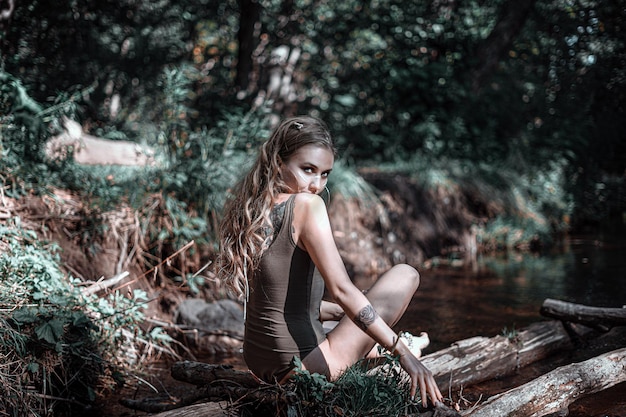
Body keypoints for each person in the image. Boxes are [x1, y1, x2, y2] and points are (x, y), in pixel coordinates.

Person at [217, 115, 443, 407]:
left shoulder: (250, 210)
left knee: (355, 308)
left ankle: (384, 345)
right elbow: (341, 289)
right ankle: (403, 344)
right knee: (405, 274)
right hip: (301, 369)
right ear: (277, 163)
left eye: (325, 174)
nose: (316, 184)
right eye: (307, 169)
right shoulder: (307, 206)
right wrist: (405, 356)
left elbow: (273, 299)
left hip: (260, 362)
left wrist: (339, 312)